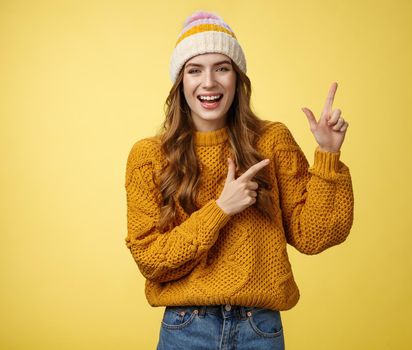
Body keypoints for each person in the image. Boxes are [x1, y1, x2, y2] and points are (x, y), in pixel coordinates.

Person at [124, 10, 354, 350]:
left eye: (222, 67)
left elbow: (315, 235)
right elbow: (151, 260)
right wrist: (221, 209)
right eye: (194, 70)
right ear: (180, 82)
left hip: (259, 329)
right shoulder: (149, 157)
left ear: (237, 78)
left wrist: (328, 155)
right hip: (187, 329)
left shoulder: (271, 141)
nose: (209, 82)